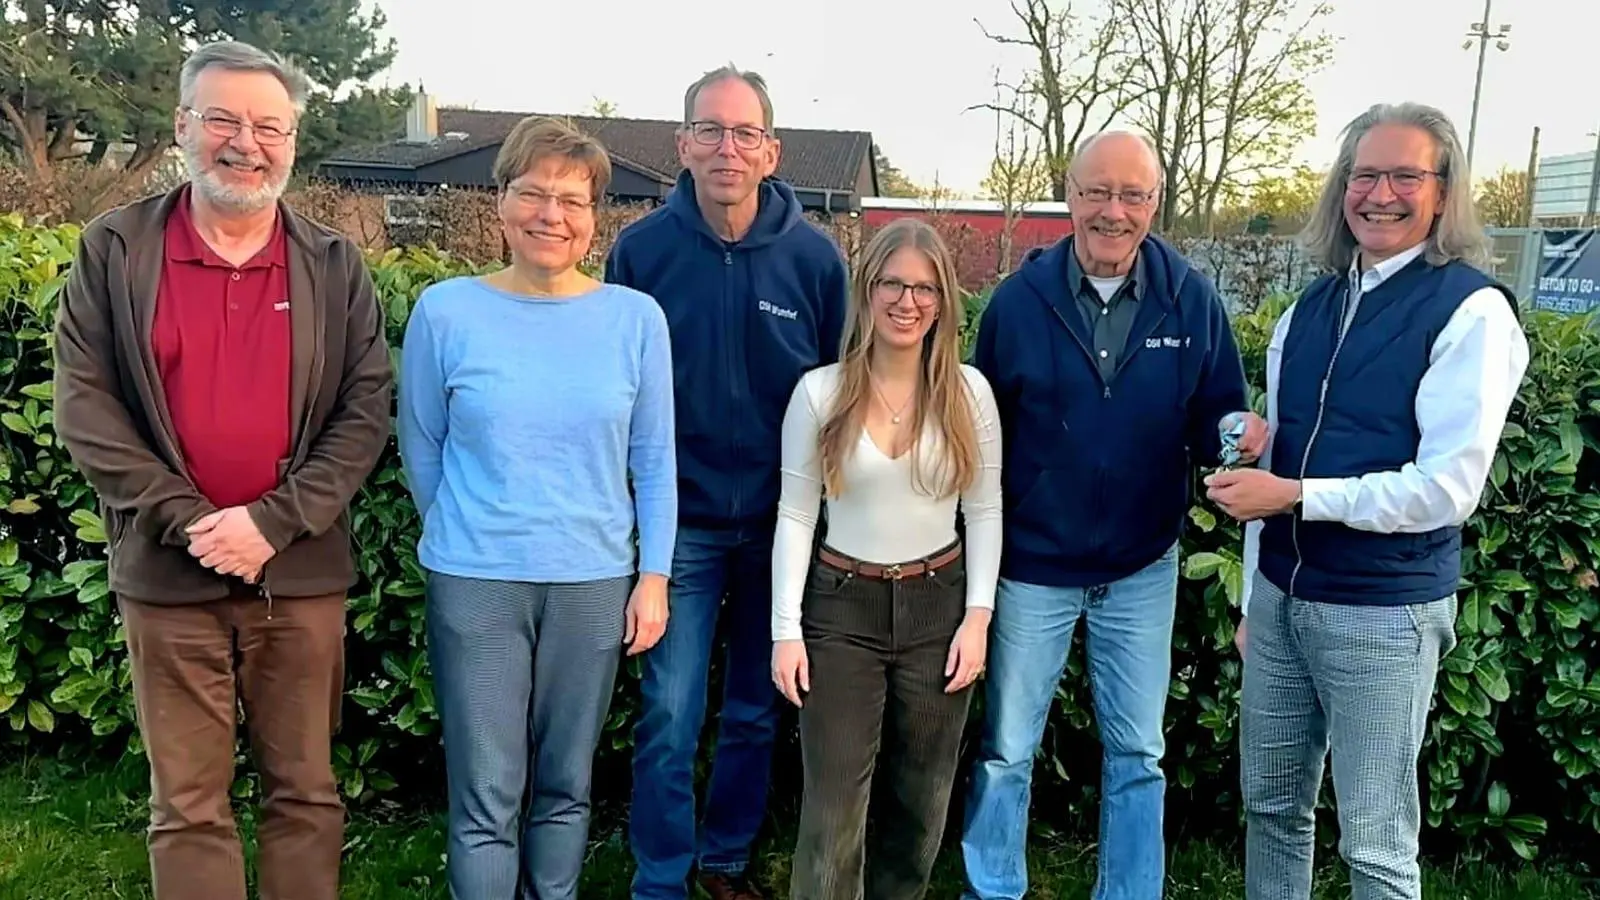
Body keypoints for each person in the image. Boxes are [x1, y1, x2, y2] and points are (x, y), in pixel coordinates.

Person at [50, 40, 392, 900]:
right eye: (224, 120)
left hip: (300, 574)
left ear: (293, 139)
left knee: (305, 793)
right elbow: (85, 407)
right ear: (182, 128)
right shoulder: (116, 250)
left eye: (269, 125)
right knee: (189, 803)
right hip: (168, 571)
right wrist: (191, 520)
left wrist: (272, 522)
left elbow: (364, 412)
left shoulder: (332, 263)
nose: (247, 142)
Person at [1206, 101, 1529, 900]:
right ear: (1342, 187)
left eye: (1404, 175)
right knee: (1273, 807)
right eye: (1365, 174)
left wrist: (1295, 491)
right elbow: (1283, 468)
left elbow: (1446, 489)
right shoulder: (1309, 307)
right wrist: (1264, 447)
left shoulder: (1472, 311)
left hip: (1384, 613)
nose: (1380, 193)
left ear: (1444, 191)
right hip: (1282, 601)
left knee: (1377, 841)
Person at [960, 129, 1265, 900]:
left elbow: (1218, 419)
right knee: (1006, 749)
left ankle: (1129, 893)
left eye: (1132, 195)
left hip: (1141, 566)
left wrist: (1239, 439)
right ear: (1070, 195)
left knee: (1138, 753)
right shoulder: (1017, 304)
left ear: (1154, 204)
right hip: (1034, 564)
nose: (1114, 211)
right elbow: (980, 428)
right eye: (1098, 192)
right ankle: (994, 887)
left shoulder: (1190, 299)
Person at [396, 115, 677, 900]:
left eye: (572, 199)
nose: (550, 214)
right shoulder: (444, 312)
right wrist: (458, 531)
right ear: (501, 203)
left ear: (594, 217)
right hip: (477, 580)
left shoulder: (635, 321)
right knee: (487, 789)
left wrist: (651, 576)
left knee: (564, 784)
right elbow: (422, 443)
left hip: (591, 583)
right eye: (533, 193)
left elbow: (654, 460)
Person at [604, 64, 849, 900]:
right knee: (669, 715)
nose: (727, 148)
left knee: (754, 711)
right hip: (685, 529)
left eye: (745, 133)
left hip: (784, 527)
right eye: (709, 130)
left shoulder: (817, 261)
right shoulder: (640, 253)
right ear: (682, 145)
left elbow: (840, 392)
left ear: (772, 151)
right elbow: (617, 393)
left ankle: (725, 861)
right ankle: (661, 877)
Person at [771, 218, 1002, 900]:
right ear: (867, 290)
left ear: (944, 301)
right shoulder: (820, 393)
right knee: (833, 806)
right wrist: (787, 630)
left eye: (925, 288)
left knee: (920, 802)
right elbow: (794, 514)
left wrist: (978, 618)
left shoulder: (969, 394)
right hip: (842, 608)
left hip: (940, 608)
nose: (908, 301)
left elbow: (985, 510)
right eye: (892, 283)